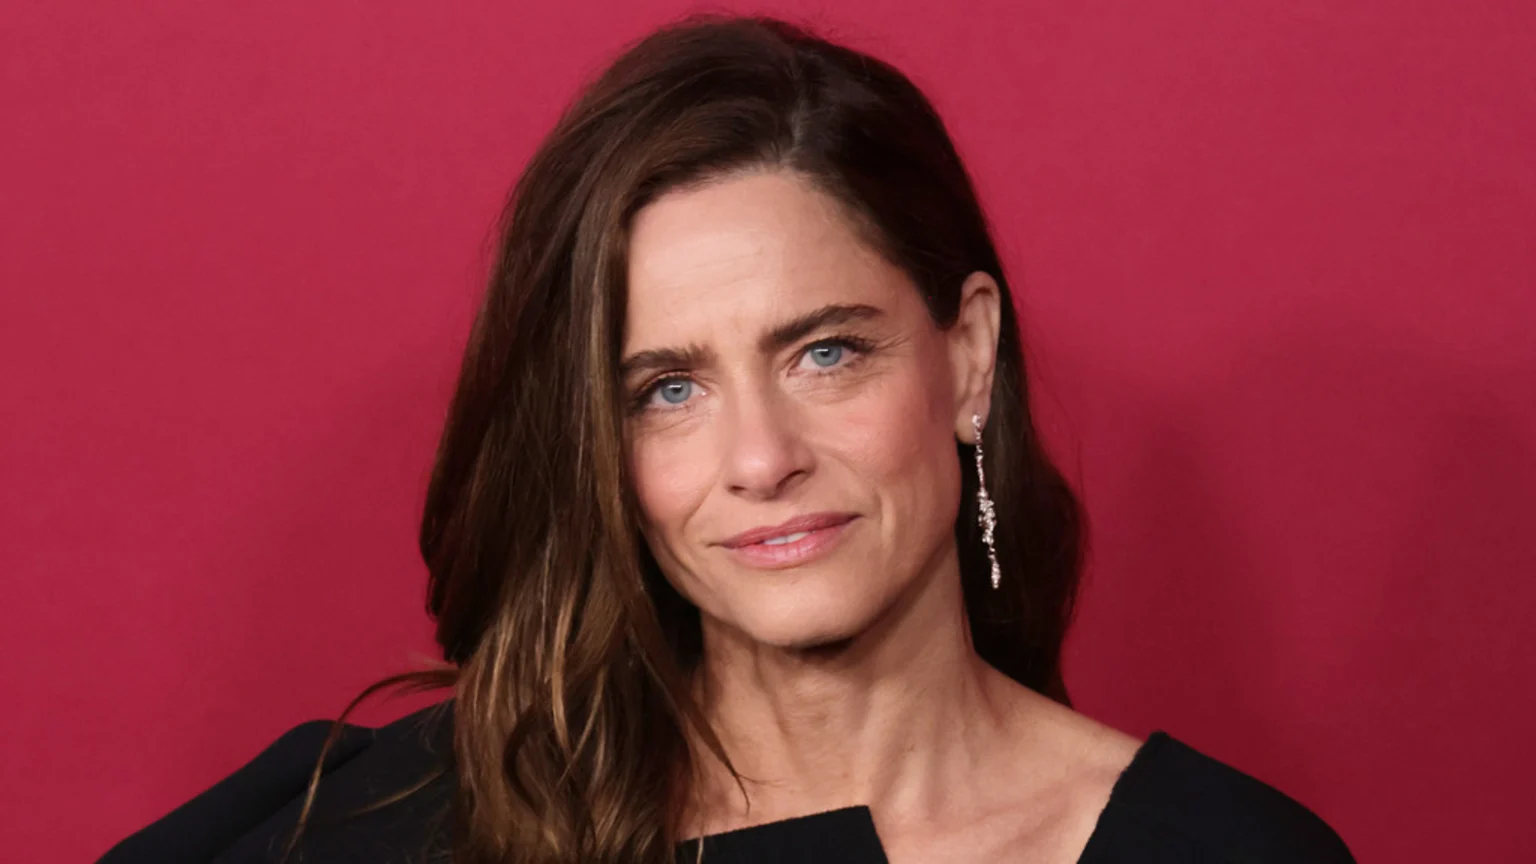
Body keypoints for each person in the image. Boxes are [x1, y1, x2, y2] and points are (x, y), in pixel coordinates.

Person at [100, 14, 1354, 864]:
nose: (761, 459)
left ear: (967, 356)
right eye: (668, 389)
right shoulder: (404, 820)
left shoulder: (1220, 848)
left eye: (825, 352)